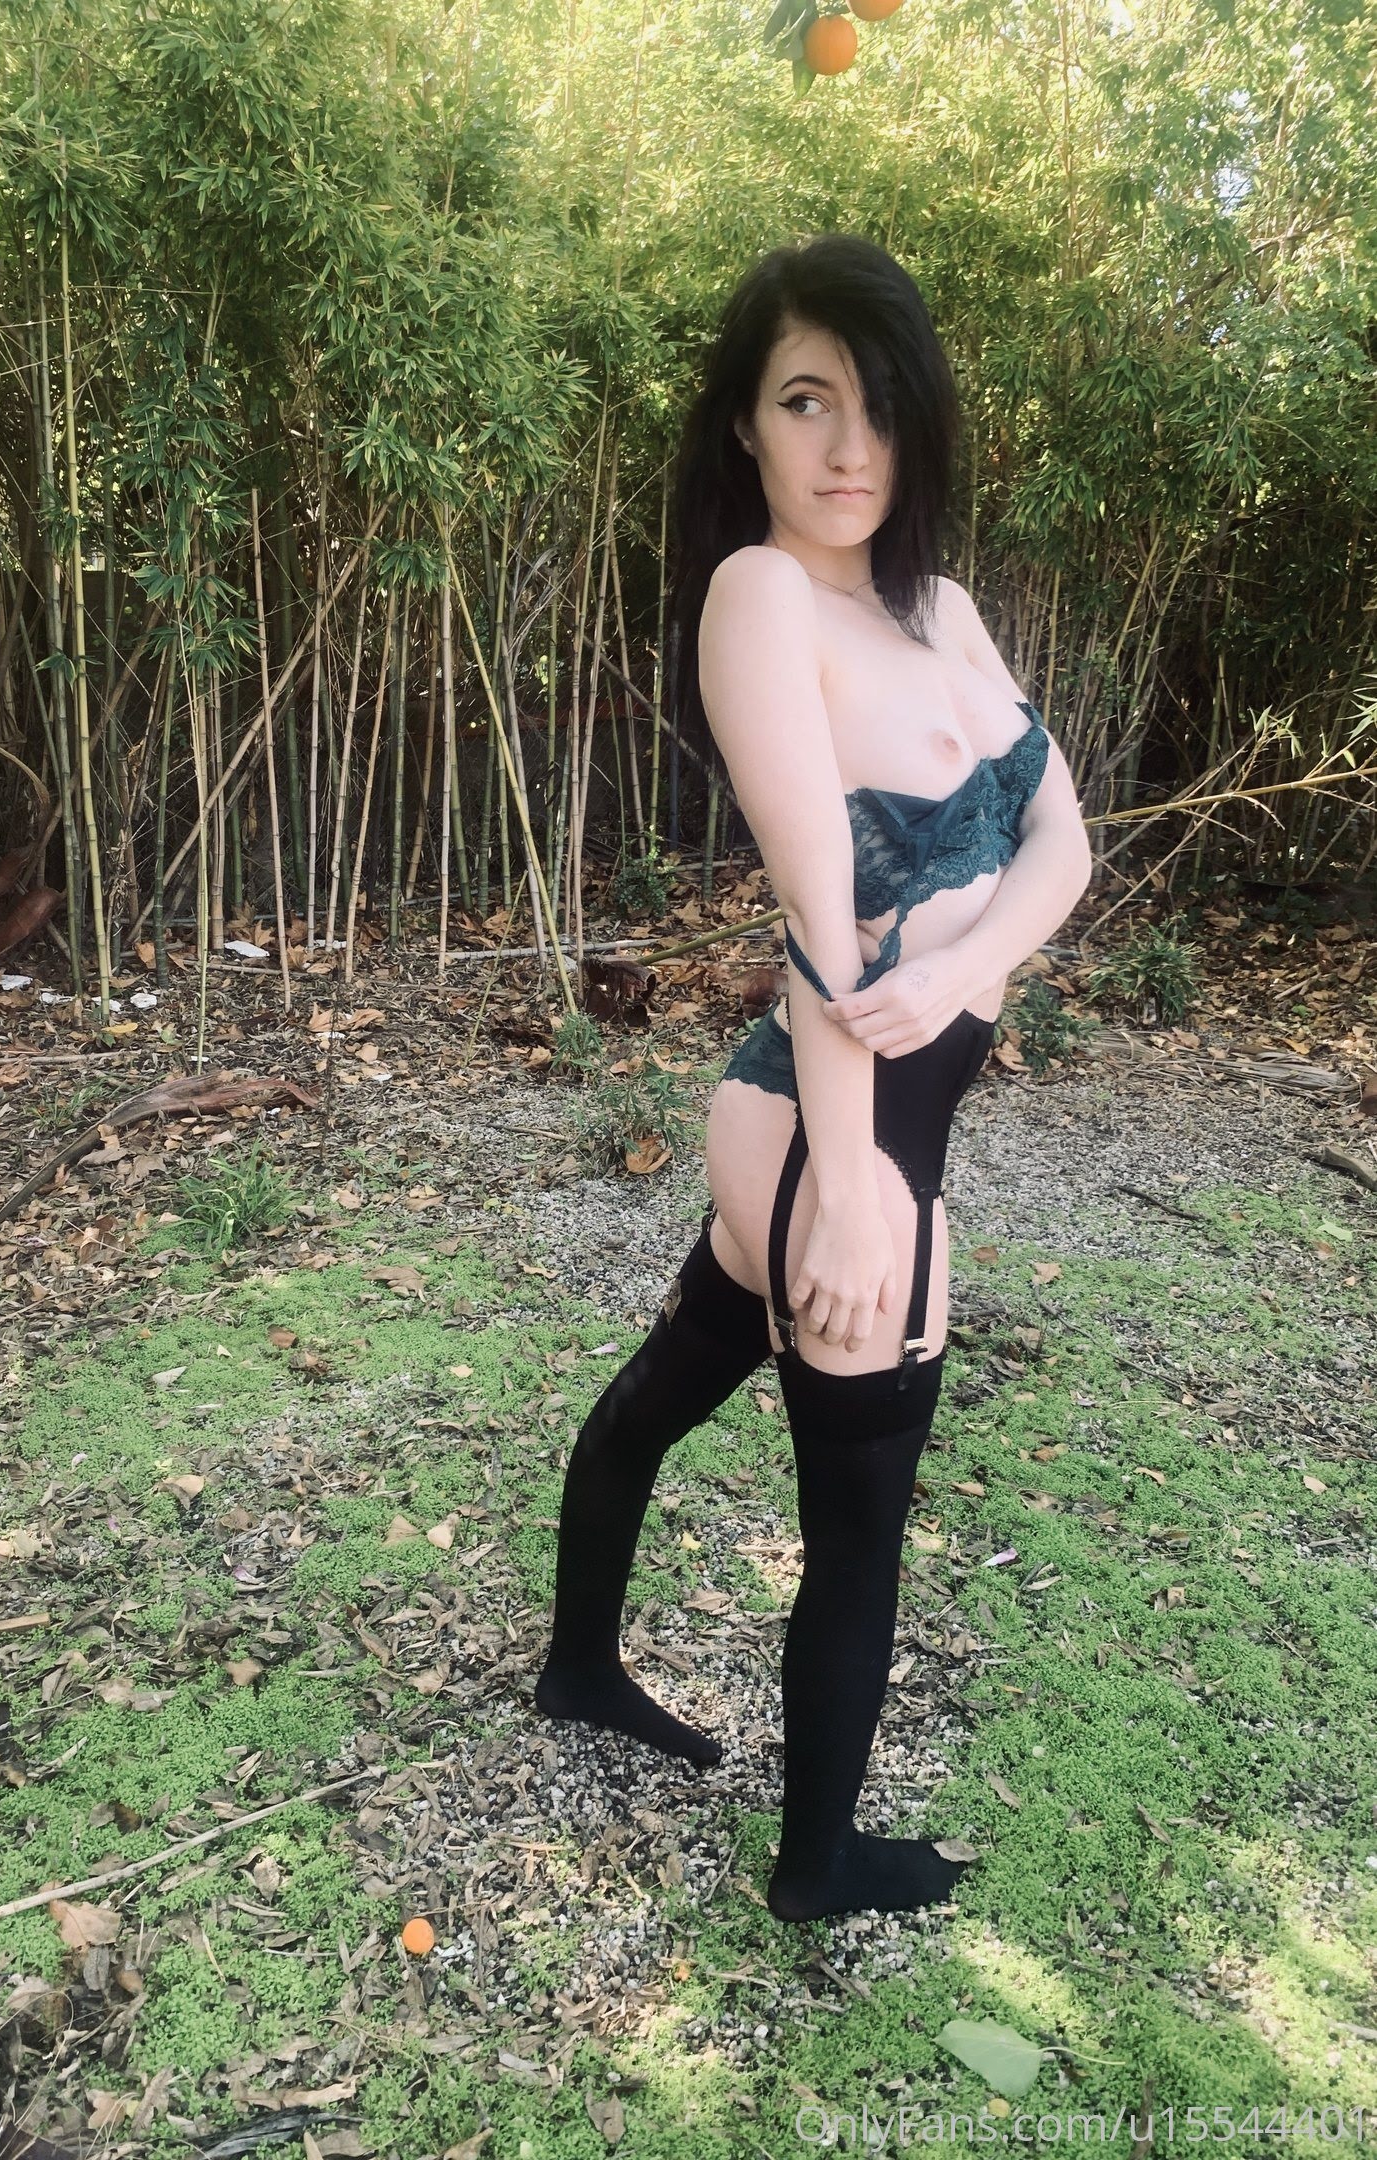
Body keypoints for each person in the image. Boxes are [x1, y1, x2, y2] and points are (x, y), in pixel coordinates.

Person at [533, 233, 1093, 1923]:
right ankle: (816, 1863)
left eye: (879, 406)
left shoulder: (945, 612)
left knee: (669, 1385)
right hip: (831, 1128)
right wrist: (853, 1193)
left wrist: (964, 969)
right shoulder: (761, 596)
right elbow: (818, 915)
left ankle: (578, 1668)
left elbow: (1065, 844)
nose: (849, 446)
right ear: (745, 427)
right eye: (804, 402)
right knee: (860, 1521)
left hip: (849, 1119)